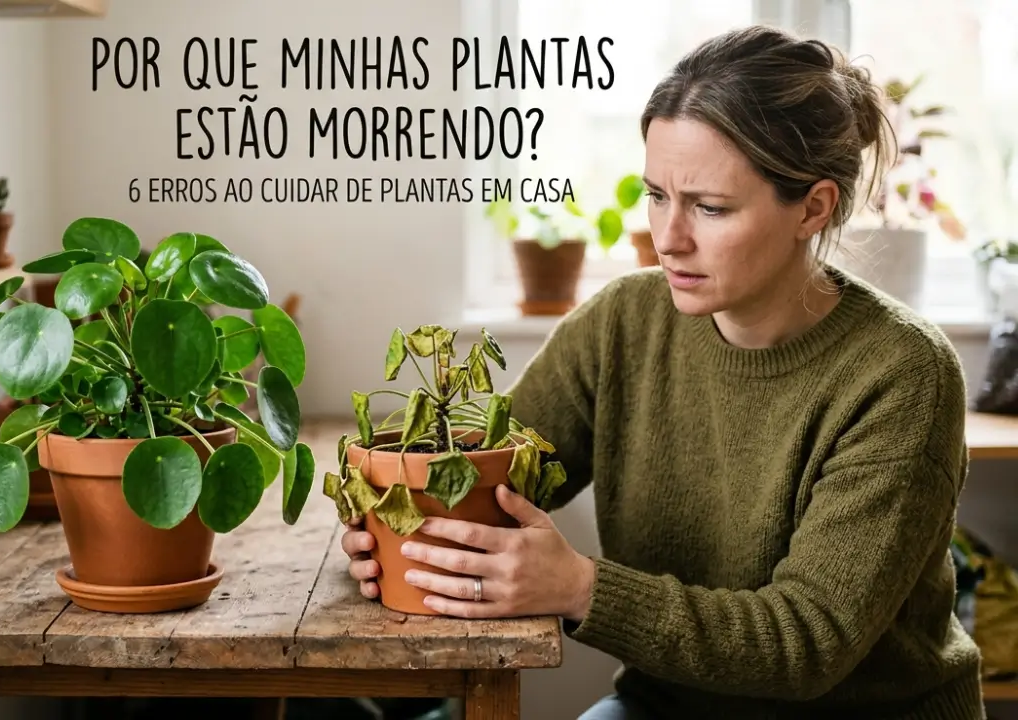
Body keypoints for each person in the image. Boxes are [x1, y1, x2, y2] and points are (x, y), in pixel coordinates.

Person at [340, 24, 985, 719]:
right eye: (656, 195)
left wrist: (580, 587)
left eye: (710, 207)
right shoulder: (624, 320)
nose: (668, 238)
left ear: (813, 207)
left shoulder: (903, 373)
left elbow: (806, 643)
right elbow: (495, 480)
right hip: (667, 706)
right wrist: (398, 533)